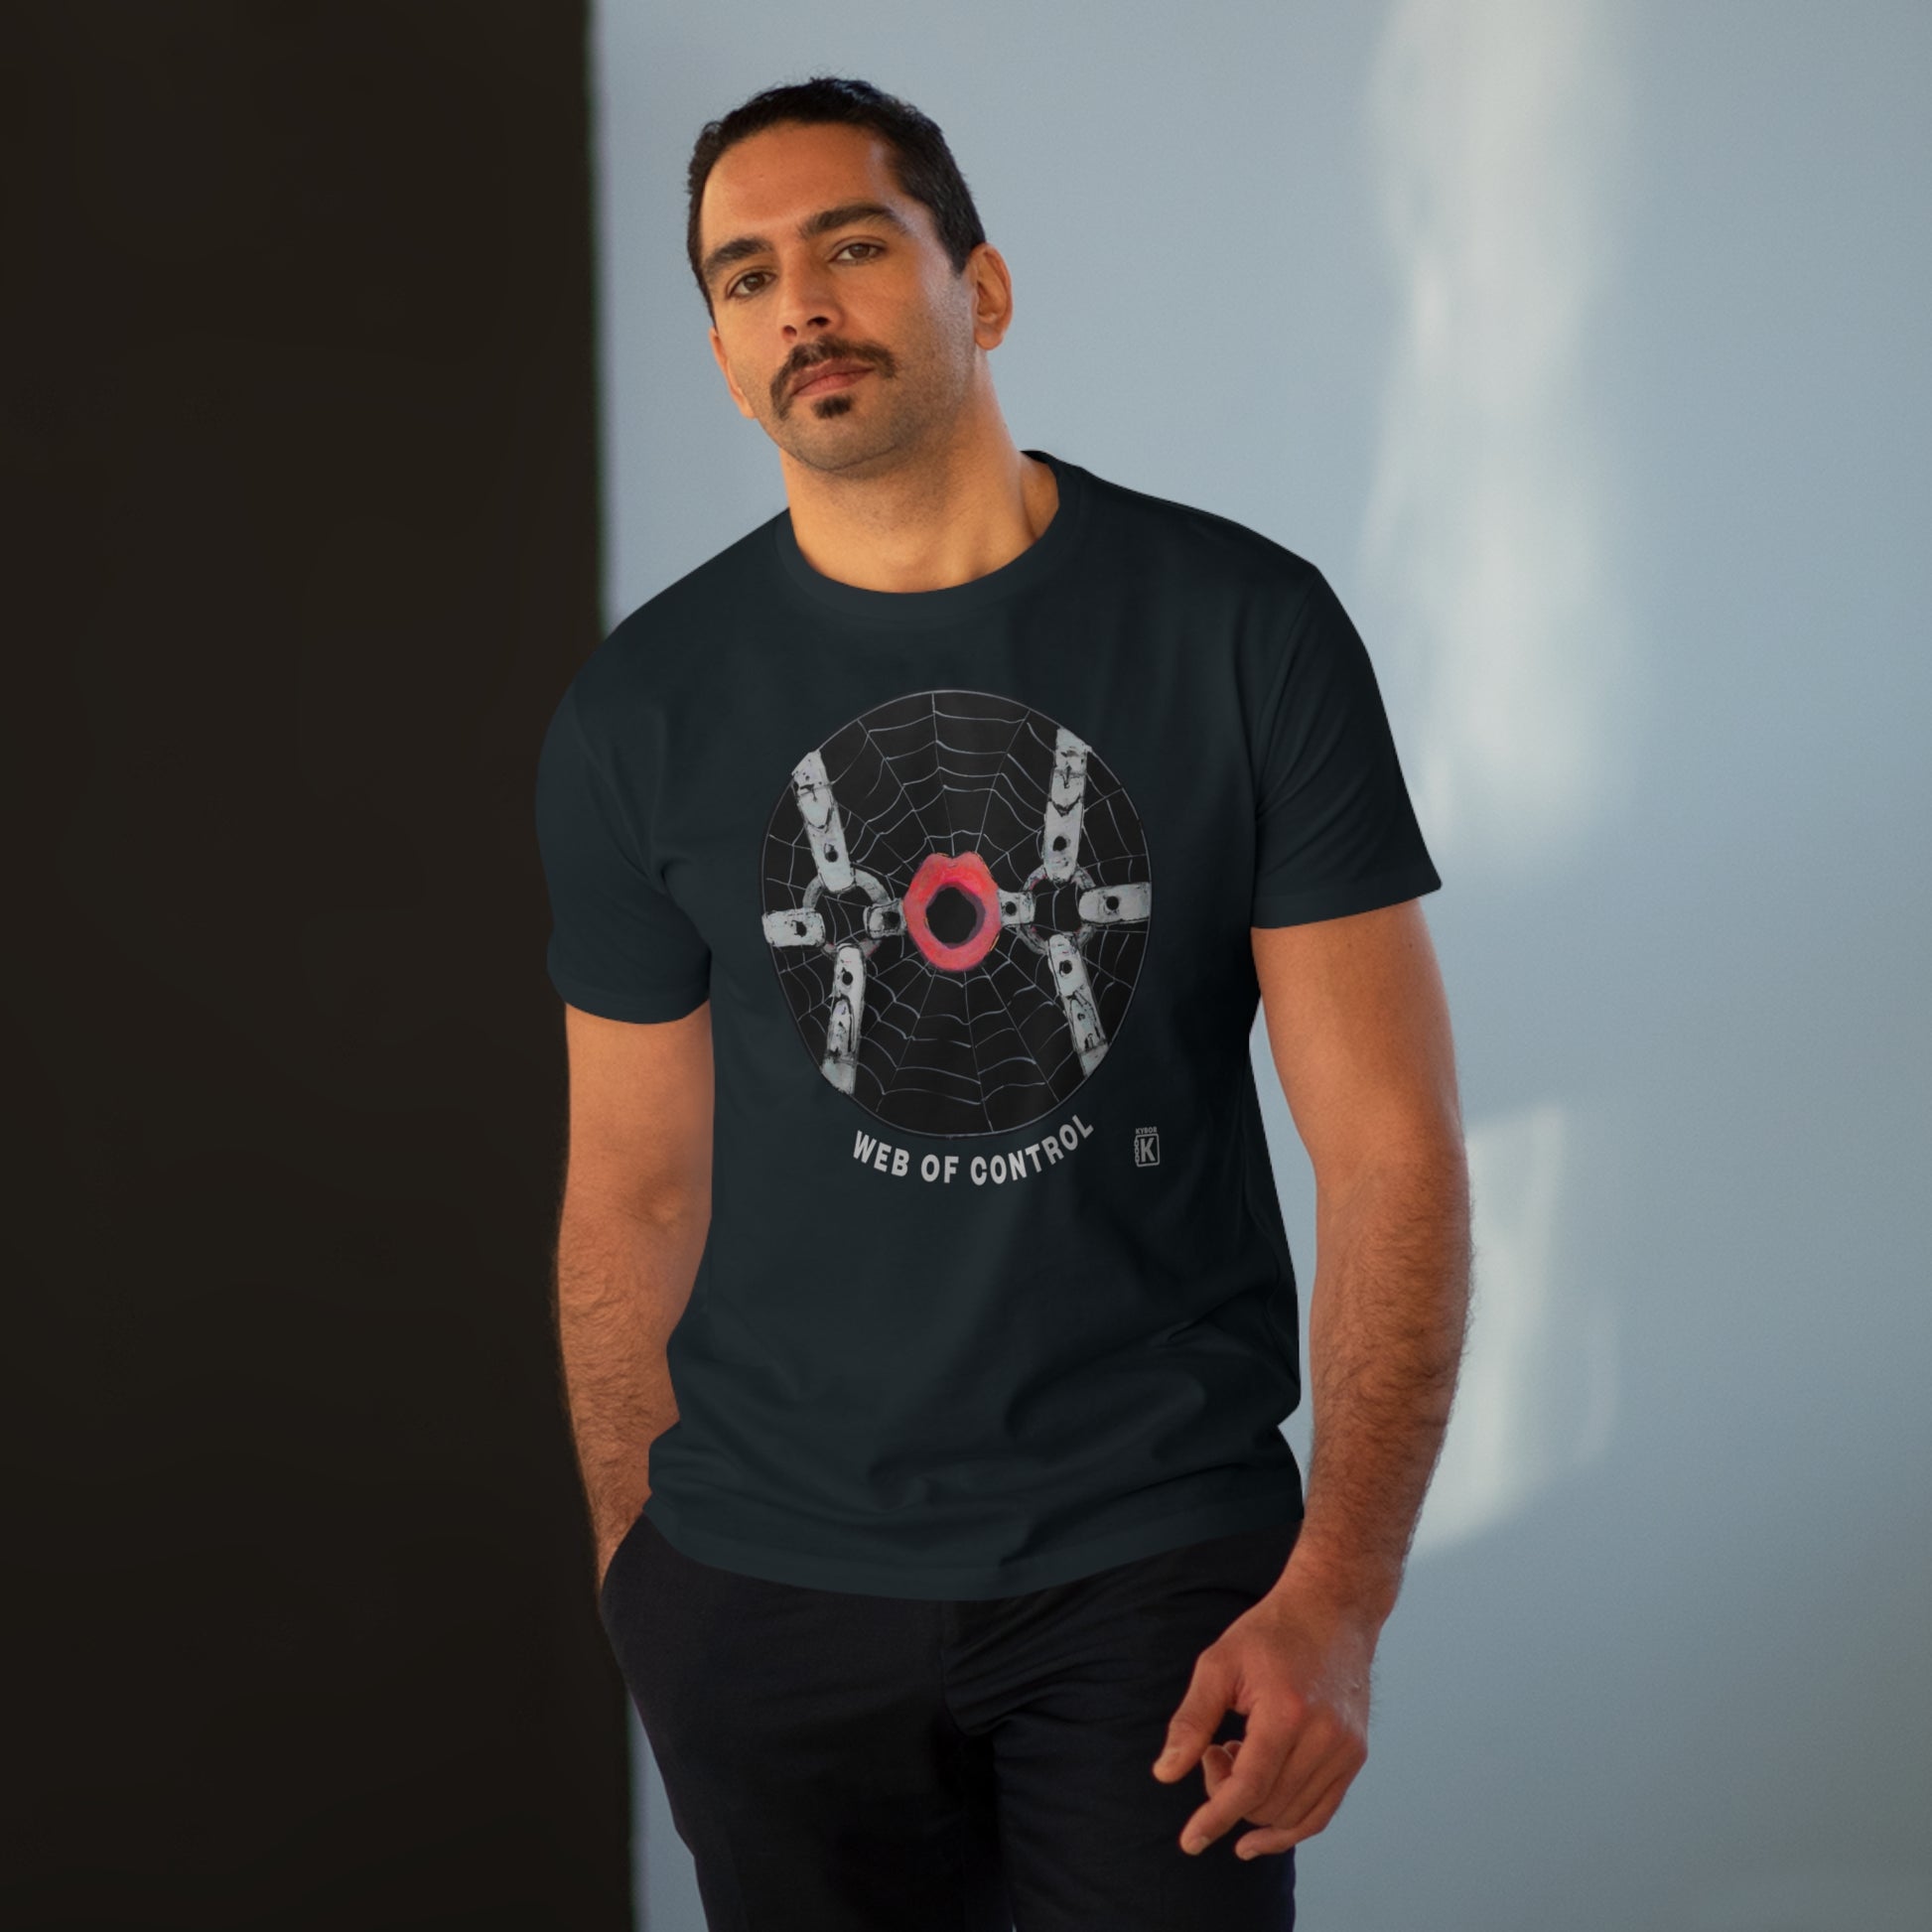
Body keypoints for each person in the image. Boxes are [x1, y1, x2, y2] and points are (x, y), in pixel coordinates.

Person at [534, 72, 1472, 1932]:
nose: (799, 304)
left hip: (1153, 1572)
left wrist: (1342, 1596)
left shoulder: (1241, 627)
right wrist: (645, 1585)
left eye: (851, 245)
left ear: (984, 286)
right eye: (744, 277)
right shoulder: (638, 713)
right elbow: (629, 1191)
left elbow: (1389, 1148)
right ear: (721, 355)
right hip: (762, 1594)